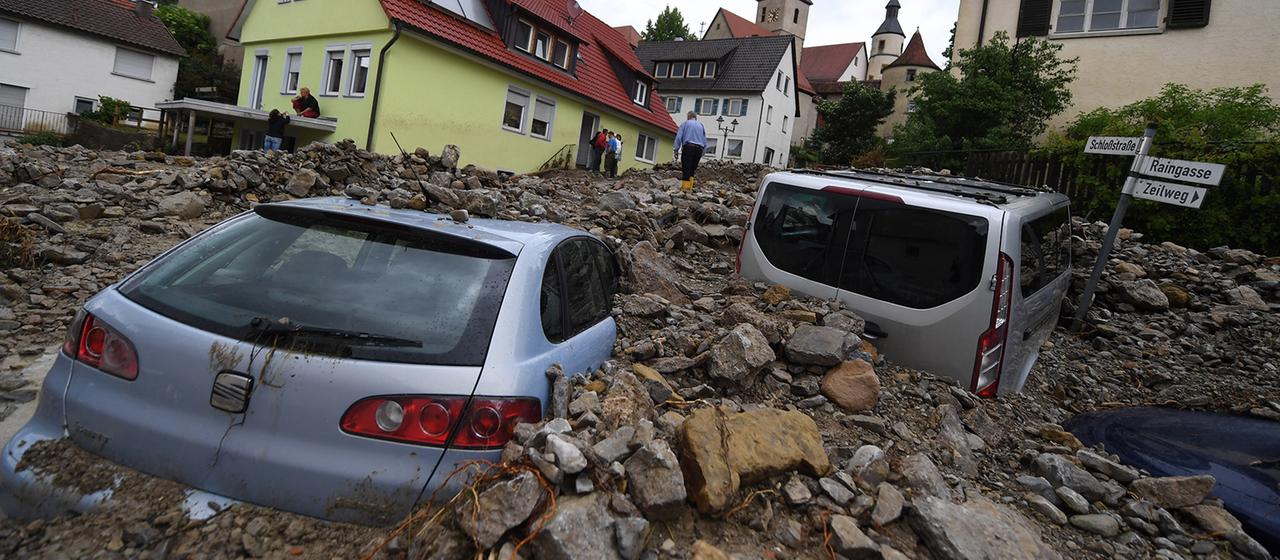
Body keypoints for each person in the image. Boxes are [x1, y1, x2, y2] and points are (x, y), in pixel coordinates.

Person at [674, 111, 707, 192]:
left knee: (686, 168)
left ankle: (685, 189)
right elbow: (704, 140)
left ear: (688, 117)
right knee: (692, 169)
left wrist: (676, 150)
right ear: (695, 117)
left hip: (689, 147)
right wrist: (703, 152)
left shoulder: (685, 124)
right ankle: (690, 188)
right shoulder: (701, 125)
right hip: (699, 149)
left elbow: (678, 138)